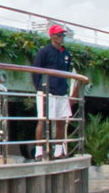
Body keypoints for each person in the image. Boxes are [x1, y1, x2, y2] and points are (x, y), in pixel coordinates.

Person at [32, 24, 76, 159]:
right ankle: (39, 151)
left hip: (61, 91)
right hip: (47, 91)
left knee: (61, 121)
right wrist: (40, 88)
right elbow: (36, 72)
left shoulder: (66, 54)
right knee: (43, 120)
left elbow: (67, 71)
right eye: (58, 35)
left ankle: (58, 151)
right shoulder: (44, 52)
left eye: (63, 35)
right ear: (52, 36)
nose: (61, 37)